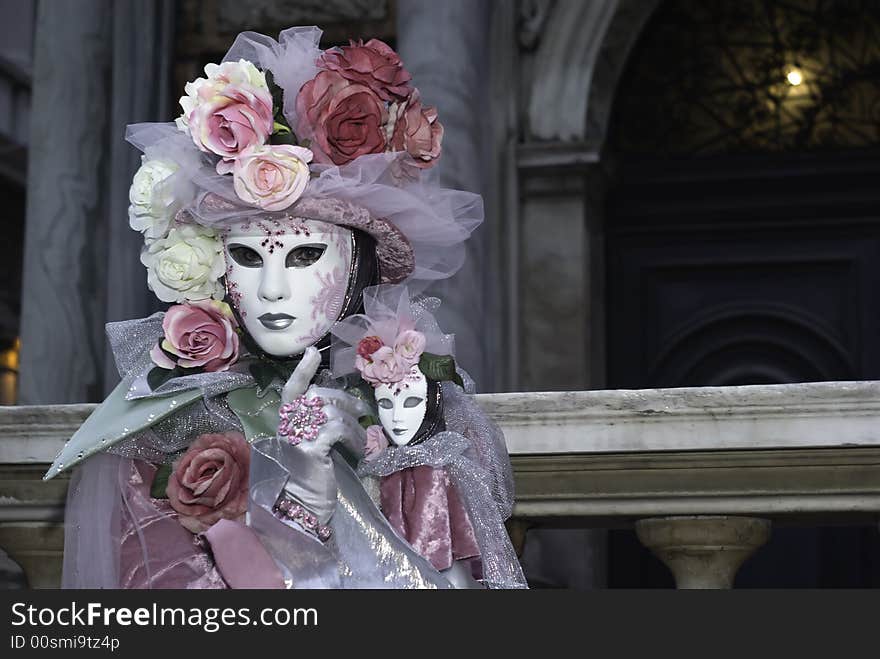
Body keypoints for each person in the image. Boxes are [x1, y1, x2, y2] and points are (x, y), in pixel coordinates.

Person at [45, 26, 519, 589]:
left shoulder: (412, 406)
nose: (272, 288)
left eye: (305, 256)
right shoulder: (163, 430)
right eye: (247, 255)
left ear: (358, 266)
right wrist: (296, 512)